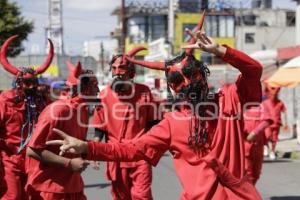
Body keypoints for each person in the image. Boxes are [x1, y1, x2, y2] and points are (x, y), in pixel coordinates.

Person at [47, 16, 263, 199]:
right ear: (172, 86)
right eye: (179, 79)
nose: (187, 83)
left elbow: (254, 70)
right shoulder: (171, 123)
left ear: (202, 73)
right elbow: (131, 148)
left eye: (191, 75)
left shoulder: (230, 98)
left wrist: (221, 50)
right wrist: (89, 147)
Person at [25, 61, 99, 200]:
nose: (98, 90)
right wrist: (69, 163)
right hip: (49, 188)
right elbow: (32, 150)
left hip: (73, 186)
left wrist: (92, 151)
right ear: (82, 88)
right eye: (94, 86)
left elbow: (77, 143)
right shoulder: (57, 110)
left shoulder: (82, 110)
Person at [92, 47, 158, 200]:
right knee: (120, 196)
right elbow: (99, 129)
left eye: (121, 67)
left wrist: (156, 147)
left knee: (142, 195)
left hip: (140, 153)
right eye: (114, 68)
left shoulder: (144, 92)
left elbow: (153, 124)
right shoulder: (105, 94)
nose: (117, 72)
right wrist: (94, 151)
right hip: (115, 153)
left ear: (131, 72)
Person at [0, 35, 54, 200]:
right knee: (13, 195)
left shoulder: (42, 101)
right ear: (18, 83)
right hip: (10, 158)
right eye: (27, 84)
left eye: (34, 83)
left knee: (34, 195)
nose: (32, 87)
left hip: (35, 158)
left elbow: (54, 121)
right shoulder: (4, 100)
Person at [243, 104, 273, 184]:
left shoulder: (260, 106)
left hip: (258, 145)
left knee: (256, 173)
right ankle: (250, 195)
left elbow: (267, 121)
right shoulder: (238, 105)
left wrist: (255, 132)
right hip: (243, 145)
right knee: (247, 173)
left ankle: (251, 192)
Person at [262, 85, 288, 160]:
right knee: (267, 137)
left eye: (276, 94)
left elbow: (284, 111)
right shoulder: (265, 103)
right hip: (267, 124)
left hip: (277, 123)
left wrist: (286, 123)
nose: (274, 95)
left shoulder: (280, 103)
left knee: (274, 139)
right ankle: (266, 146)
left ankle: (272, 151)